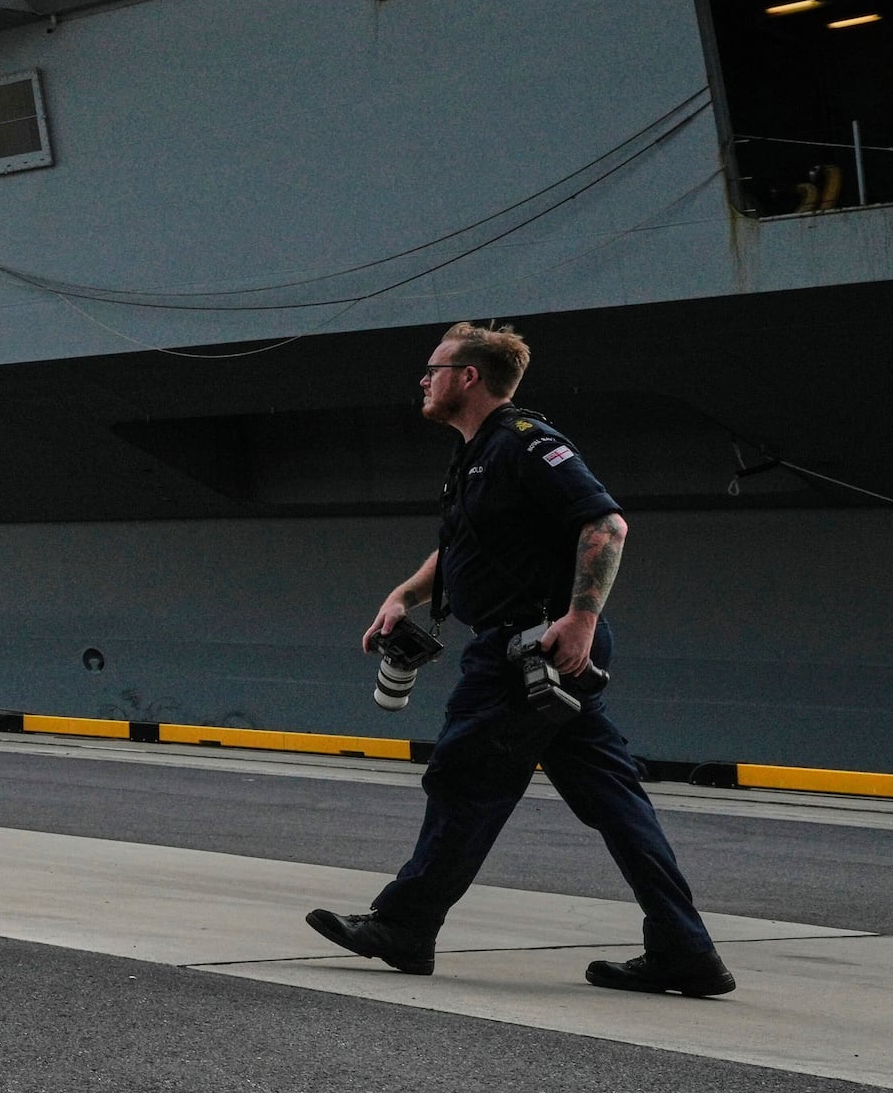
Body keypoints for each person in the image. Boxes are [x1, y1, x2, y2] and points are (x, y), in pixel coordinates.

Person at [309, 322, 733, 997]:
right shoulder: (476, 456)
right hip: (540, 648)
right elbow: (464, 549)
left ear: (468, 377)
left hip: (529, 647)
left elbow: (606, 525)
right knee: (615, 801)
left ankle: (406, 926)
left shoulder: (526, 443)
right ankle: (685, 949)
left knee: (464, 778)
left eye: (434, 368)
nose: (423, 380)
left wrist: (581, 621)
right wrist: (406, 595)